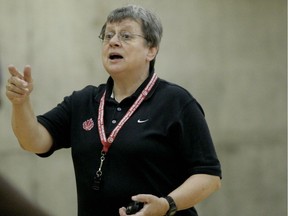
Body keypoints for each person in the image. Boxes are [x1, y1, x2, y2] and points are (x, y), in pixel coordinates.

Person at [5, 4, 222, 216]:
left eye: (126, 36)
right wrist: (20, 103)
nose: (114, 42)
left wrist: (166, 205)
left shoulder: (176, 102)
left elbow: (209, 176)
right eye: (108, 36)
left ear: (151, 49)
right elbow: (32, 141)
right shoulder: (83, 101)